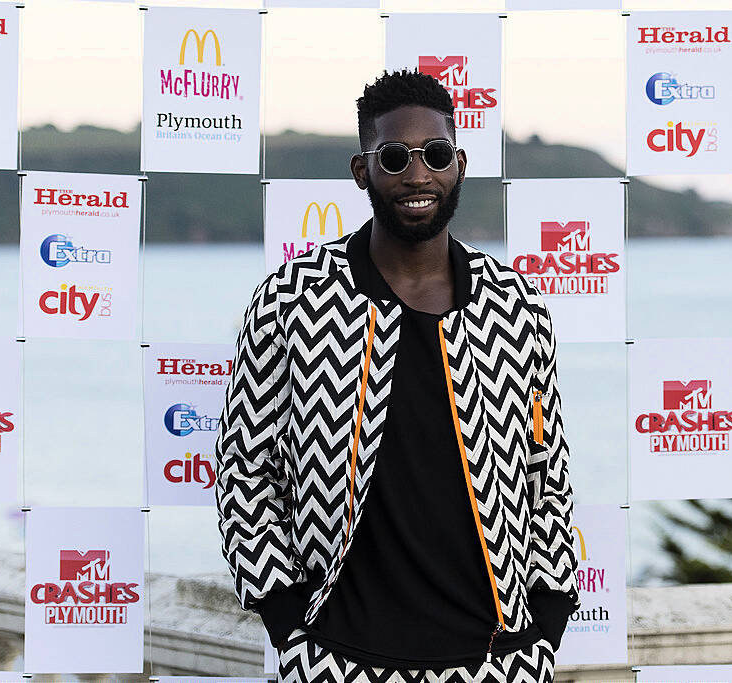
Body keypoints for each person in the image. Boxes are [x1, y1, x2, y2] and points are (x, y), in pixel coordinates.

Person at [215, 69, 579, 683]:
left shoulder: (516, 305)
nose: (417, 175)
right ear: (363, 171)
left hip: (499, 659)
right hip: (342, 658)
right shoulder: (294, 299)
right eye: (393, 157)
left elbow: (548, 472)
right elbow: (245, 468)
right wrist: (288, 621)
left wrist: (546, 617)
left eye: (435, 155)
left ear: (458, 165)